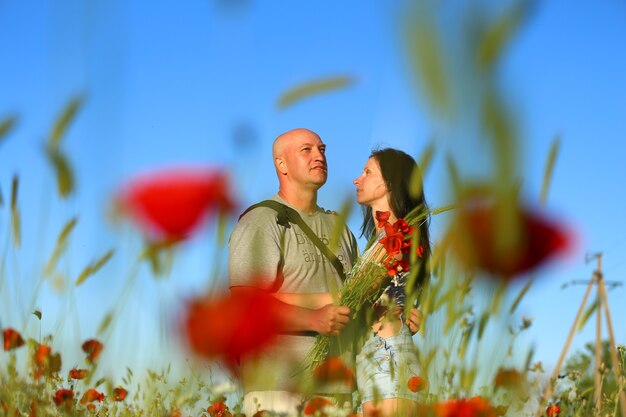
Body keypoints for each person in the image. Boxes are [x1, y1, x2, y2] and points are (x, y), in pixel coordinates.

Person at [275, 148, 430, 417]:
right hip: (376, 355)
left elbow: (349, 299)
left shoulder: (397, 238)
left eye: (367, 173)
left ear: (388, 183)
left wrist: (280, 300)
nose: (357, 180)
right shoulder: (383, 240)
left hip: (386, 356)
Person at [228, 128, 359, 416]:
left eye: (322, 149)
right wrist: (312, 319)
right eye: (306, 150)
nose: (319, 156)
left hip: (337, 389)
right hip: (278, 390)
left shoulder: (341, 229)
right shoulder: (262, 220)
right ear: (281, 164)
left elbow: (354, 301)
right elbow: (245, 303)